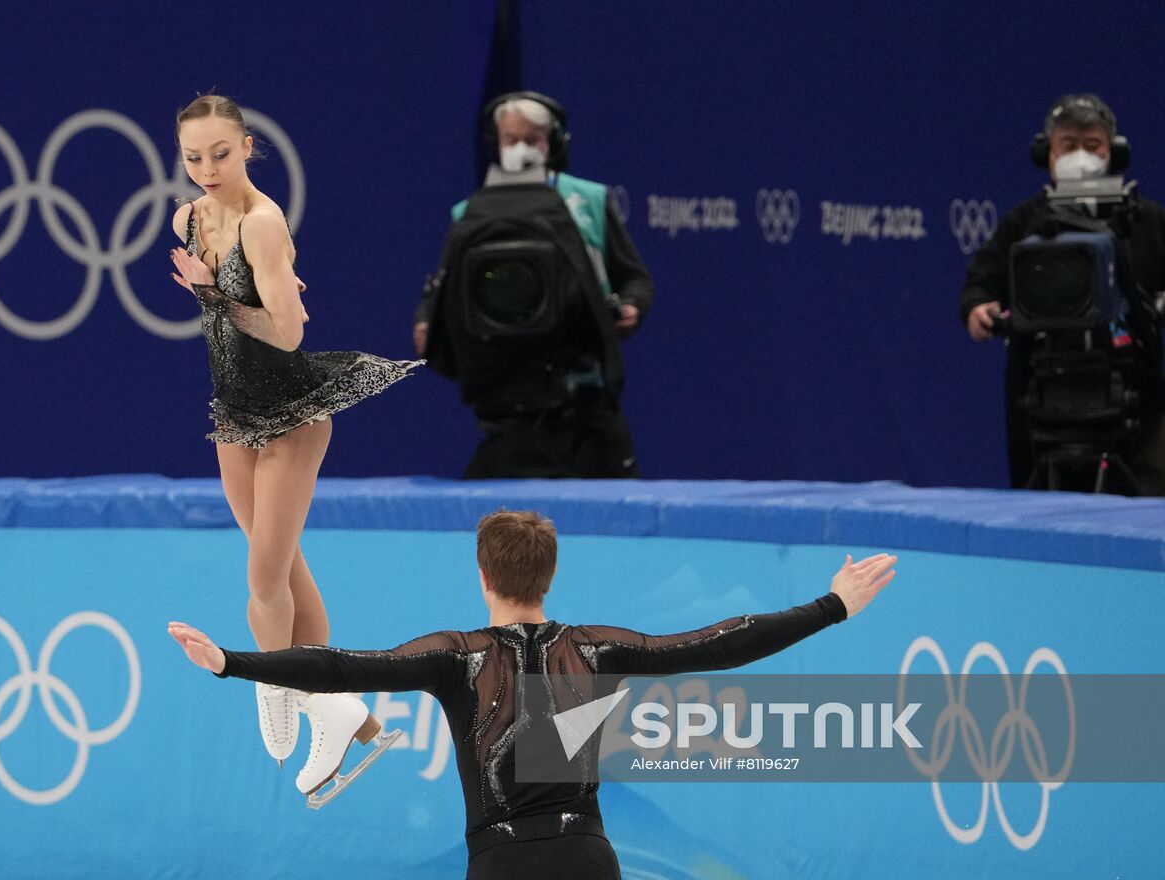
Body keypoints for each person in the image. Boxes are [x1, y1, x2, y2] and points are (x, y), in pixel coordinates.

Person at [169, 510, 897, 878]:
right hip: (586, 855)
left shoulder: (455, 657)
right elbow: (720, 640)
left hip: (504, 863)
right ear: (546, 577)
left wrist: (234, 662)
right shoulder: (594, 647)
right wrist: (832, 605)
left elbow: (343, 666)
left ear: (483, 576)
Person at [166, 93, 421, 798]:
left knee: (262, 579)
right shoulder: (187, 219)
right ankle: (343, 712)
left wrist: (217, 294)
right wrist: (224, 295)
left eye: (221, 153)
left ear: (247, 147)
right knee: (281, 566)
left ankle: (279, 682)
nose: (207, 169)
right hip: (234, 412)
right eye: (193, 157)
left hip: (292, 412)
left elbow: (288, 333)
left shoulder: (263, 221)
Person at [414, 92, 654, 478]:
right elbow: (444, 290)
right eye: (511, 139)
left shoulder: (588, 200)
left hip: (585, 396)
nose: (521, 149)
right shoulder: (469, 214)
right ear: (497, 144)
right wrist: (427, 322)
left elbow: (635, 278)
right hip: (506, 398)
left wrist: (631, 306)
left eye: (533, 139)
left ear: (553, 144)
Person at [960, 93, 1165, 492]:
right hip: (1041, 394)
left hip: (1135, 393)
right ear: (1047, 154)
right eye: (1069, 145)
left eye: (1093, 145)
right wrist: (978, 307)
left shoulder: (1146, 221)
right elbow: (981, 282)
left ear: (1114, 152)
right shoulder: (1025, 221)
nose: (1081, 155)